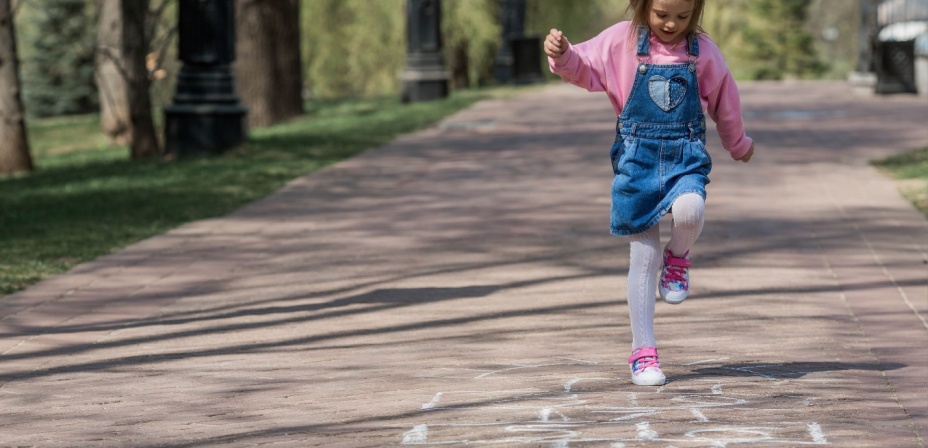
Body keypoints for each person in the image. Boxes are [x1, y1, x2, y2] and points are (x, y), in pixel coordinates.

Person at [544, 0, 754, 386]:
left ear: (696, 11)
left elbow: (726, 100)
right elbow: (584, 67)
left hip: (685, 158)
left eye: (683, 16)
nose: (672, 24)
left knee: (691, 210)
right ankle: (644, 352)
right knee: (643, 256)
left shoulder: (703, 52)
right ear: (642, 7)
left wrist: (738, 143)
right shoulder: (620, 43)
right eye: (661, 15)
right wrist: (563, 55)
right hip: (636, 164)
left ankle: (678, 257)